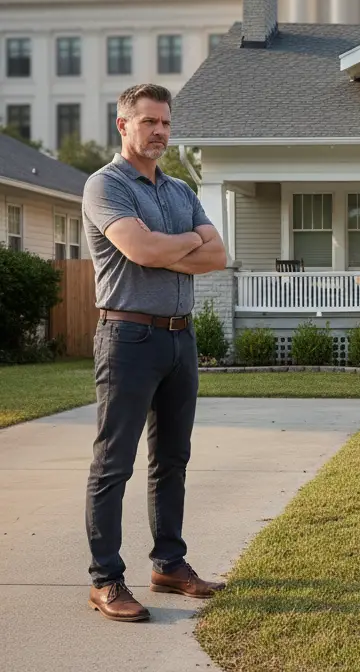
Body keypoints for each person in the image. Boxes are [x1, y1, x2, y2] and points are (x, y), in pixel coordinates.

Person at [81, 83, 228, 622]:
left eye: (166, 122)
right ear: (124, 125)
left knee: (172, 459)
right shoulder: (105, 186)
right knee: (113, 463)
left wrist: (170, 248)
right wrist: (182, 244)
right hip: (127, 338)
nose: (161, 132)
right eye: (149, 122)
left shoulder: (180, 189)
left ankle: (169, 563)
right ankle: (106, 580)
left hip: (179, 338)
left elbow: (219, 255)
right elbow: (139, 249)